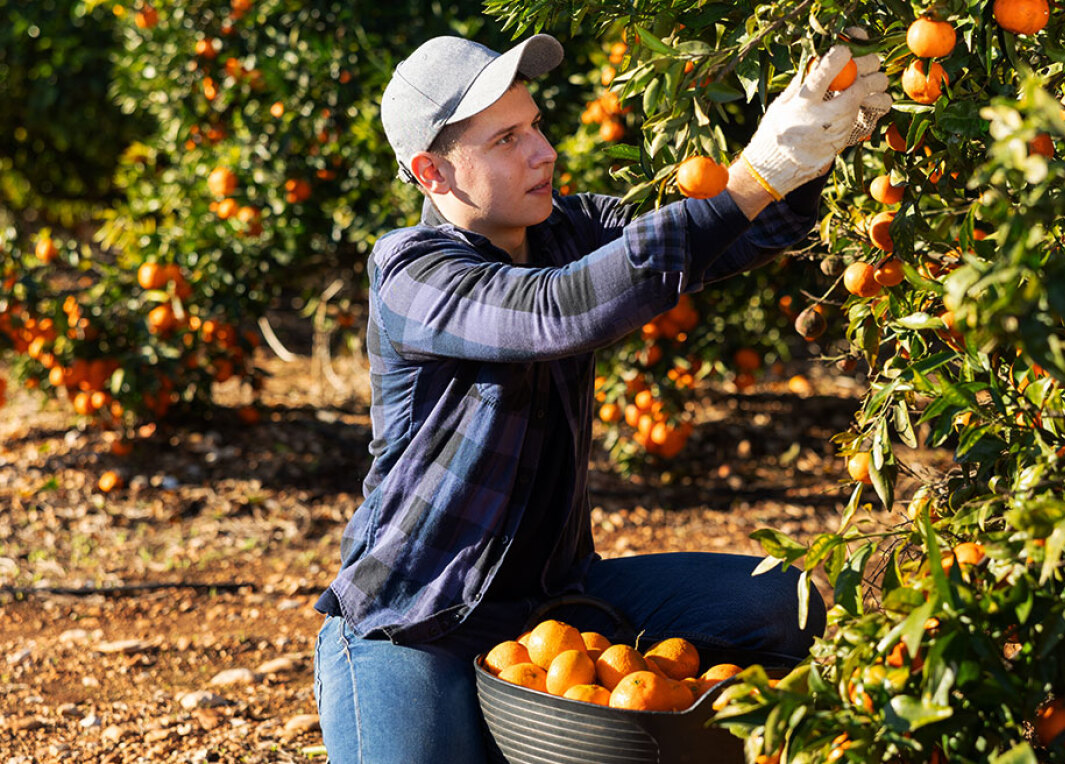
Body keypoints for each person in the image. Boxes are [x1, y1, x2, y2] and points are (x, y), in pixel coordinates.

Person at [312, 30, 890, 763]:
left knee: (785, 603)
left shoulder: (565, 228)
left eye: (536, 125)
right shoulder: (411, 273)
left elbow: (726, 237)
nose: (543, 150)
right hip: (417, 620)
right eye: (507, 138)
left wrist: (822, 146)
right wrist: (754, 173)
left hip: (555, 602)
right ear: (433, 173)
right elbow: (558, 311)